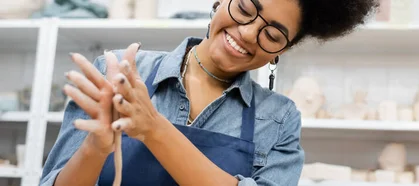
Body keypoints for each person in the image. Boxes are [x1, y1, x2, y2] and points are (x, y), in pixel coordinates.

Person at [40, 0, 379, 185]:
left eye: (272, 35)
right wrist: (94, 149)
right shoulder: (119, 73)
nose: (247, 34)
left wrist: (154, 129)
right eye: (245, 9)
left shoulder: (278, 119)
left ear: (280, 51)